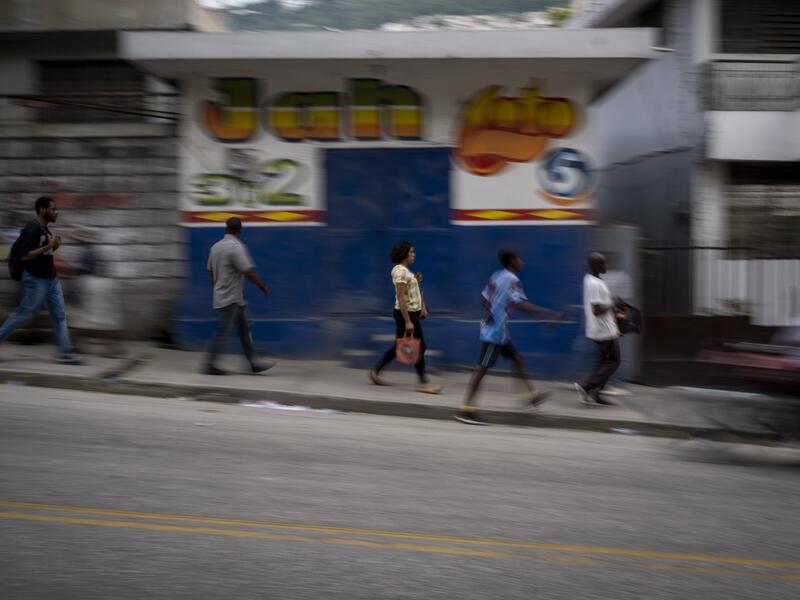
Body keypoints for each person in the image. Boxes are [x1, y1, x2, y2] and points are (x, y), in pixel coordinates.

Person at [455, 249, 565, 426]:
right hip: (495, 333)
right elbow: (521, 304)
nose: (522, 262)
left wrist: (492, 311)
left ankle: (532, 397)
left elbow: (483, 299)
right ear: (512, 261)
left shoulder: (496, 275)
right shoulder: (513, 279)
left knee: (517, 358)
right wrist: (549, 315)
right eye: (520, 259)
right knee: (481, 369)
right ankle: (466, 409)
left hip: (498, 330)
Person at [0, 196, 80, 363]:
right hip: (36, 280)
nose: (56, 212)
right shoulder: (32, 228)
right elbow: (25, 255)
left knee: (59, 315)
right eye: (53, 209)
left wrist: (55, 245)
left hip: (51, 279)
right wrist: (48, 246)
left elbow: (45, 253)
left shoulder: (45, 230)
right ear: (42, 210)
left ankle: (65, 354)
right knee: (23, 315)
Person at [369, 241, 442, 394]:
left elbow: (411, 292)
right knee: (419, 345)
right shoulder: (400, 272)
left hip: (410, 312)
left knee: (399, 346)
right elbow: (401, 297)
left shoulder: (405, 272)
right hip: (405, 314)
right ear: (404, 254)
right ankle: (423, 383)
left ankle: (375, 371)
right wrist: (408, 321)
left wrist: (421, 305)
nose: (414, 254)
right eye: (411, 252)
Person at [202, 217, 272, 375]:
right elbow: (247, 272)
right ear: (239, 231)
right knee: (222, 331)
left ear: (226, 228)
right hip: (231, 298)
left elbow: (209, 270)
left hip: (231, 297)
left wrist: (217, 287)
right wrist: (262, 286)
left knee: (244, 328)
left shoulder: (215, 247)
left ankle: (253, 362)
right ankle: (210, 365)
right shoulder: (236, 247)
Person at [574, 252, 621, 406]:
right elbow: (597, 310)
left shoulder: (590, 279)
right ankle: (587, 387)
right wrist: (613, 302)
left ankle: (596, 393)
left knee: (603, 362)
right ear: (595, 265)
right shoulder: (594, 283)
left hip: (602, 328)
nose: (605, 266)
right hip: (604, 330)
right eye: (602, 264)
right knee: (614, 361)